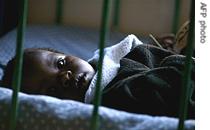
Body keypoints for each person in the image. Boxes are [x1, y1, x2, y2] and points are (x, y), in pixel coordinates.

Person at [1, 34, 194, 119]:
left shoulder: (111, 60)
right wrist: (179, 60)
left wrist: (161, 51)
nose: (65, 76)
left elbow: (146, 57)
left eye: (61, 63)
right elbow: (167, 86)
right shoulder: (111, 99)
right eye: (51, 90)